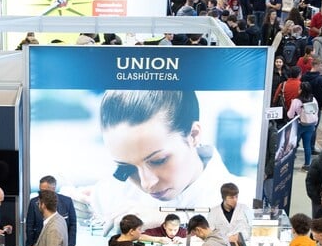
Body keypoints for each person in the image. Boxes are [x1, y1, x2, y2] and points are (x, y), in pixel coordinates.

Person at [93, 90, 251, 230]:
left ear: (194, 135)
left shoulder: (249, 200)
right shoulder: (108, 197)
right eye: (127, 169)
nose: (147, 184)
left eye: (158, 160)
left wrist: (171, 219)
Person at [24, 175, 77, 246]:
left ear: (53, 188)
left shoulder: (67, 202)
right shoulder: (34, 202)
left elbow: (72, 225)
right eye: (40, 191)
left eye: (44, 191)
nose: (42, 194)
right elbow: (30, 226)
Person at [288, 83, 319, 169]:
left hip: (299, 125)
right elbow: (316, 112)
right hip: (310, 125)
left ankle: (290, 163)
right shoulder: (313, 99)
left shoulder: (296, 101)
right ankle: (307, 164)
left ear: (301, 90)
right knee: (307, 145)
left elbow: (290, 115)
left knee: (293, 144)